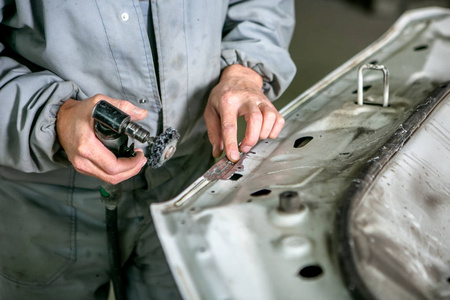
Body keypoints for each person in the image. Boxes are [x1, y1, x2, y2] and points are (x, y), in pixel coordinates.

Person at [0, 0, 296, 299]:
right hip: (45, 198)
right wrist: (54, 116)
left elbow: (262, 5)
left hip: (188, 178)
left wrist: (244, 71)